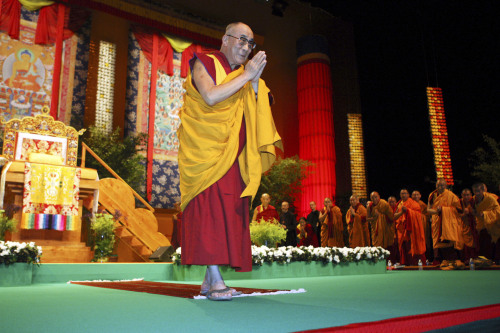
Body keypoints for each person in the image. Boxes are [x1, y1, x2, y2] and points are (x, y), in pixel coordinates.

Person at [178, 22, 282, 301]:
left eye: (251, 44)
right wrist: (248, 75)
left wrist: (255, 81)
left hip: (235, 159)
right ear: (225, 38)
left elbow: (261, 107)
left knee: (226, 215)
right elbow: (210, 96)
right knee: (209, 214)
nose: (246, 47)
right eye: (242, 40)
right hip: (206, 156)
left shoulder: (243, 75)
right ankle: (216, 282)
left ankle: (208, 279)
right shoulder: (205, 61)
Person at [427, 179, 465, 267]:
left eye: (442, 185)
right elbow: (428, 210)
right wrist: (437, 211)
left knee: (449, 241)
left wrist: (444, 210)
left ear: (446, 186)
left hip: (448, 222)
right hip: (437, 221)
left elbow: (458, 210)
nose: (440, 187)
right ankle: (440, 260)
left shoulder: (451, 195)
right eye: (438, 185)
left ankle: (452, 260)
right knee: (437, 240)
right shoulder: (432, 195)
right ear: (436, 186)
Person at [394, 189, 426, 265]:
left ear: (408, 195)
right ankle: (406, 263)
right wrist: (402, 212)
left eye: (405, 193)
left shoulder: (413, 203)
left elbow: (418, 215)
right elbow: (395, 217)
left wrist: (408, 211)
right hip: (402, 229)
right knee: (404, 247)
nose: (403, 195)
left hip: (412, 229)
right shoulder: (399, 204)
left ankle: (415, 263)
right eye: (401, 193)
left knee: (412, 245)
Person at [472, 183, 500, 263]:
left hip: (493, 224)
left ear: (483, 190)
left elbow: (498, 210)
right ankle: (484, 262)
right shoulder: (473, 199)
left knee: (493, 244)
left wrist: (485, 214)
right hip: (480, 226)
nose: (477, 193)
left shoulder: (491, 198)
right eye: (475, 191)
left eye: (479, 191)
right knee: (483, 245)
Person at [367, 192, 396, 261]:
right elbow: (367, 219)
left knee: (387, 246)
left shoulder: (384, 204)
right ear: (371, 198)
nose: (374, 199)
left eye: (376, 197)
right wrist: (375, 217)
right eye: (372, 197)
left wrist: (381, 216)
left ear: (379, 196)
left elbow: (391, 217)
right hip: (375, 230)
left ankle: (388, 261)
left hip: (385, 228)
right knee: (376, 246)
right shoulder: (370, 206)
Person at [458, 189, 479, 262]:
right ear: (462, 195)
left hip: (474, 225)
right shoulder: (459, 202)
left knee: (475, 242)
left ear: (471, 195)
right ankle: (466, 259)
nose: (466, 197)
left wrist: (471, 211)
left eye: (468, 195)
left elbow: (478, 212)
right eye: (464, 195)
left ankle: (475, 258)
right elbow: (456, 215)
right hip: (463, 225)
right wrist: (464, 214)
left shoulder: (474, 201)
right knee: (464, 243)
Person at [412, 190, 433, 262]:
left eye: (417, 195)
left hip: (422, 227)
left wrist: (418, 216)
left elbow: (427, 216)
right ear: (411, 196)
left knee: (424, 242)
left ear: (420, 196)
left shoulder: (423, 205)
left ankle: (426, 259)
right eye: (414, 195)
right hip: (413, 227)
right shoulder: (409, 204)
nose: (416, 196)